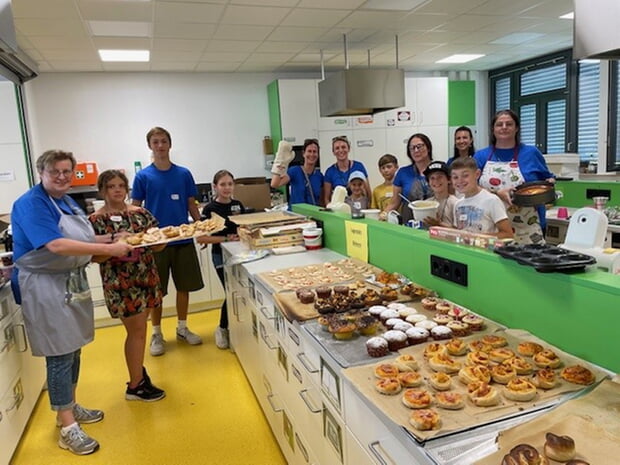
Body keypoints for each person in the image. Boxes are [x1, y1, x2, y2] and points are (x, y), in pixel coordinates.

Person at [11, 150, 133, 455]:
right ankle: (67, 427)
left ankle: (69, 405)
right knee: (59, 354)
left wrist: (110, 240)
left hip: (67, 281)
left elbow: (83, 239)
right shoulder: (32, 203)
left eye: (68, 171)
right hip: (44, 286)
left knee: (73, 348)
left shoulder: (64, 201)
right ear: (41, 172)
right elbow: (56, 244)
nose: (63, 176)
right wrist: (115, 250)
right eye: (55, 171)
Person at [88, 170, 165, 402]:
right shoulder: (95, 221)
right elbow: (94, 257)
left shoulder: (141, 214)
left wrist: (154, 239)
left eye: (121, 185)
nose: (117, 190)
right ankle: (135, 385)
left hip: (146, 278)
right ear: (103, 190)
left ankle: (138, 373)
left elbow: (159, 246)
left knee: (140, 330)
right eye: (111, 186)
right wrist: (116, 244)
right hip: (121, 284)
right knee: (137, 332)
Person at [131, 127, 204, 356]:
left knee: (184, 287)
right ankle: (157, 333)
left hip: (182, 240)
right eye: (156, 142)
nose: (160, 146)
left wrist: (201, 228)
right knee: (157, 292)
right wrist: (139, 237)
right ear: (150, 146)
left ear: (170, 144)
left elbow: (192, 204)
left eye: (163, 141)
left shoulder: (183, 174)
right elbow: (135, 208)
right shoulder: (143, 176)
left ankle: (182, 328)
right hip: (156, 244)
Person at [474, 109, 555, 244]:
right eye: (499, 124)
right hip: (492, 226)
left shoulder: (531, 153)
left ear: (516, 128)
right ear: (493, 129)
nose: (504, 127)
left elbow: (546, 180)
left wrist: (550, 183)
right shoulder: (481, 156)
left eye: (509, 124)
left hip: (528, 226)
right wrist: (497, 193)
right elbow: (472, 187)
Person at [198, 170, 245, 350]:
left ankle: (237, 328)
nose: (227, 188)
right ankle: (222, 328)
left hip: (240, 255)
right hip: (221, 255)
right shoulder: (210, 209)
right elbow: (201, 238)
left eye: (230, 184)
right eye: (223, 184)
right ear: (215, 186)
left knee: (238, 291)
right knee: (229, 291)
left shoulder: (238, 205)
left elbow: (243, 228)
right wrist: (226, 239)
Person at [450, 157, 513, 239]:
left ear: (477, 174)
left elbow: (507, 234)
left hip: (486, 251)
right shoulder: (458, 204)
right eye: (455, 177)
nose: (460, 181)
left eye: (465, 176)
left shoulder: (492, 200)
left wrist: (476, 237)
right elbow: (458, 233)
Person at [384, 133, 433, 223]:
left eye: (419, 146)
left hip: (435, 223)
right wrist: (383, 215)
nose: (416, 150)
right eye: (412, 148)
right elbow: (394, 202)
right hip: (410, 224)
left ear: (428, 148)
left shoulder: (439, 169)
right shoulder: (403, 173)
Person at [270, 138, 324, 207]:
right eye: (309, 151)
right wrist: (280, 161)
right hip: (296, 215)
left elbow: (321, 201)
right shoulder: (295, 171)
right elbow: (275, 184)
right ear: (303, 153)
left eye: (314, 151)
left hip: (312, 215)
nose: (312, 154)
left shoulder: (319, 176)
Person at [323, 135, 371, 205]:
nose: (340, 150)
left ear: (348, 149)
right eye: (337, 148)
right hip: (339, 211)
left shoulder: (359, 167)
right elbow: (327, 199)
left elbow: (368, 193)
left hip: (359, 208)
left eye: (343, 147)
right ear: (333, 152)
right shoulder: (330, 172)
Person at [422, 161, 458, 228]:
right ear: (428, 182)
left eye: (440, 177)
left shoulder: (455, 203)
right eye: (432, 178)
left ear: (449, 179)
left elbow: (459, 231)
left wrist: (439, 224)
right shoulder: (426, 204)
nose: (436, 181)